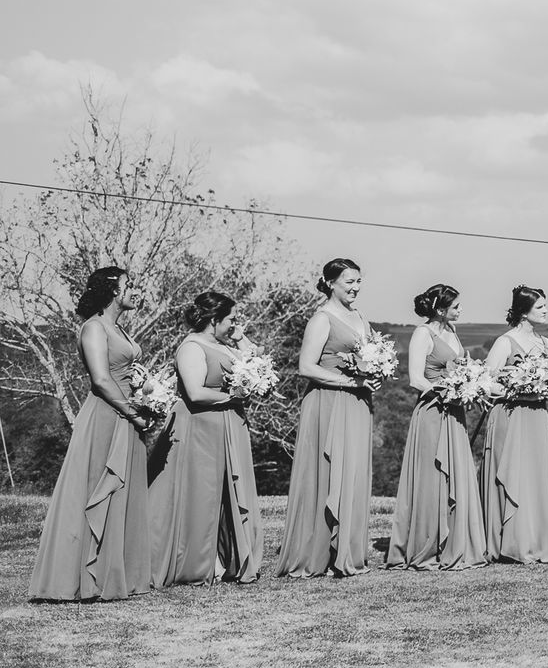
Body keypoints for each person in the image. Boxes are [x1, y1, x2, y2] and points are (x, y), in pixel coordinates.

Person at [28, 266, 159, 602]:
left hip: (128, 417)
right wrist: (133, 413)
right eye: (130, 284)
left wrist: (149, 394)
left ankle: (118, 573)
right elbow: (101, 380)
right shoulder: (94, 327)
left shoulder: (120, 329)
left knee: (123, 491)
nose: (136, 290)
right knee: (97, 490)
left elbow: (127, 371)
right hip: (105, 417)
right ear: (113, 290)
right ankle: (82, 578)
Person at [150, 290, 266, 587]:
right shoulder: (192, 347)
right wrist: (233, 397)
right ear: (214, 319)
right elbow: (195, 392)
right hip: (199, 427)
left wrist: (240, 338)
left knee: (227, 492)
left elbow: (255, 366)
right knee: (203, 494)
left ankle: (227, 557)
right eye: (231, 319)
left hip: (228, 425)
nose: (235, 324)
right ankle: (199, 561)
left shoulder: (224, 345)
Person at [277, 258, 379, 578]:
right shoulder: (322, 319)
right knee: (327, 471)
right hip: (329, 402)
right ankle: (318, 552)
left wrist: (374, 374)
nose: (356, 287)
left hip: (358, 402)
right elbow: (306, 367)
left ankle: (346, 551)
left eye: (359, 281)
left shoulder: (360, 317)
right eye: (349, 281)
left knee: (353, 472)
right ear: (331, 283)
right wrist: (350, 381)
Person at [385, 284, 487, 571]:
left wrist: (470, 386)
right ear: (440, 310)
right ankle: (427, 544)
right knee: (433, 476)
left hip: (454, 414)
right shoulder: (422, 333)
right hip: (432, 412)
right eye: (455, 306)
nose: (460, 310)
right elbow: (416, 379)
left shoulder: (452, 331)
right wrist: (448, 392)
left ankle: (455, 542)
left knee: (456, 475)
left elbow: (459, 369)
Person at [482, 285, 548, 565]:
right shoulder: (505, 342)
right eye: (540, 307)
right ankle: (512, 540)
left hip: (538, 416)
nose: (546, 311)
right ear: (523, 311)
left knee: (536, 475)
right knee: (515, 474)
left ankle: (538, 538)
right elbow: (485, 382)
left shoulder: (547, 344)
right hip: (511, 415)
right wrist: (516, 389)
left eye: (545, 306)